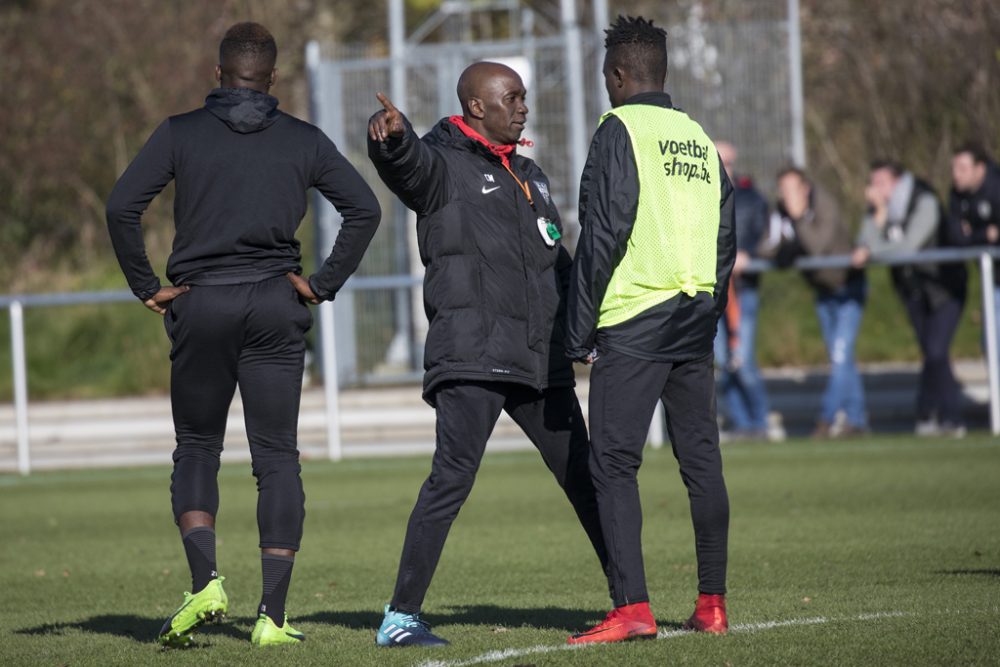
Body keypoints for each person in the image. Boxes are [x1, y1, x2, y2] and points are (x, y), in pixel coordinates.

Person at [106, 22, 381, 648]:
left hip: (201, 305)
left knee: (198, 447)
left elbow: (121, 207)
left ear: (218, 74)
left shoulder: (179, 132)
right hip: (274, 305)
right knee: (276, 457)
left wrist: (146, 285)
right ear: (274, 79)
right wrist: (322, 282)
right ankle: (272, 618)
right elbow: (364, 209)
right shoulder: (304, 140)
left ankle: (205, 582)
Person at [366, 62, 610, 648]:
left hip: (539, 358)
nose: (523, 107)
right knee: (451, 479)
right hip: (473, 354)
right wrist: (394, 139)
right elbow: (408, 168)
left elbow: (561, 263)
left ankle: (630, 603)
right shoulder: (441, 163)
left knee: (587, 477)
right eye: (512, 97)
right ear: (477, 106)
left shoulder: (530, 174)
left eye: (524, 97)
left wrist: (585, 332)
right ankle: (399, 618)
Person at [565, 15, 736, 644]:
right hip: (694, 318)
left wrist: (577, 330)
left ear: (618, 74)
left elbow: (602, 234)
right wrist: (708, 311)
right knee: (702, 463)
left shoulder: (619, 130)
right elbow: (725, 237)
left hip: (636, 318)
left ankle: (631, 608)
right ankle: (712, 603)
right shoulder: (697, 136)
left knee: (611, 462)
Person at [852, 161, 967, 437]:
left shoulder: (923, 201)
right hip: (913, 292)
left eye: (879, 182)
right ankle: (928, 416)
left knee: (937, 351)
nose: (874, 189)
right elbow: (861, 245)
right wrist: (877, 213)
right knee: (931, 353)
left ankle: (949, 416)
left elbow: (907, 248)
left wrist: (872, 250)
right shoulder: (880, 210)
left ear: (897, 180)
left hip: (944, 287)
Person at [760, 167, 868, 438]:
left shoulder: (825, 204)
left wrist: (798, 219)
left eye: (792, 189)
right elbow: (768, 245)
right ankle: (856, 420)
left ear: (805, 188)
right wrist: (783, 249)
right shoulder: (781, 210)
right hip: (822, 290)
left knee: (841, 355)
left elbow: (818, 244)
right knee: (840, 356)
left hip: (848, 287)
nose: (786, 196)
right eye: (782, 190)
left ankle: (825, 418)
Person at [713, 141, 772, 440]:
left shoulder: (751, 198)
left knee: (743, 360)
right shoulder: (697, 196)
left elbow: (768, 236)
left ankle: (760, 421)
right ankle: (740, 422)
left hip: (743, 288)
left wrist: (749, 253)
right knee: (723, 360)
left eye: (727, 162)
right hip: (712, 292)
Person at [947, 143, 1000, 356]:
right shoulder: (957, 196)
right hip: (992, 279)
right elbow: (957, 238)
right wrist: (985, 234)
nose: (955, 174)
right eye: (953, 168)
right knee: (991, 344)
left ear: (980, 169)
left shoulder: (996, 188)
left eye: (962, 168)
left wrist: (973, 235)